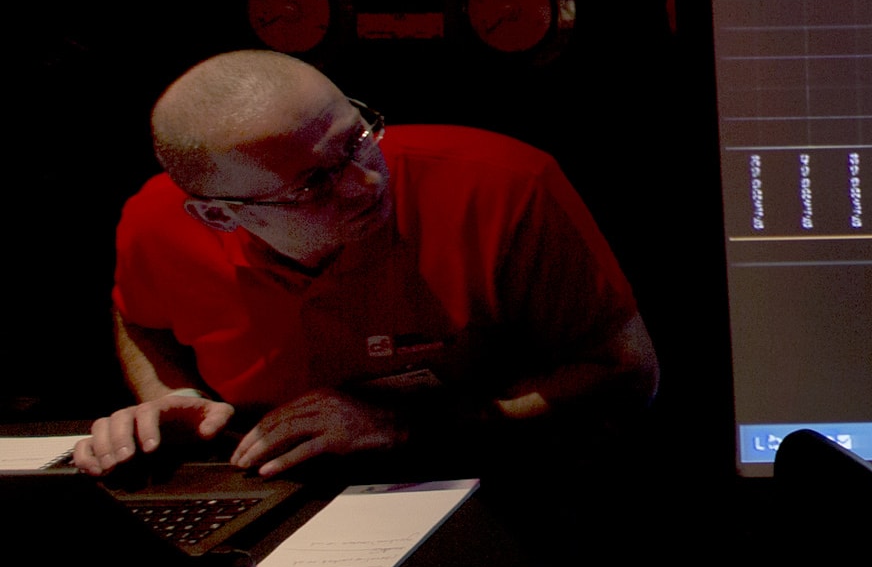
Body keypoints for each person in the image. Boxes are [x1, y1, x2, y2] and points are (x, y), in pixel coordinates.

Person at [72, 51, 658, 478]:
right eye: (313, 184)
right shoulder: (157, 223)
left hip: (493, 475)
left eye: (356, 138)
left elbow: (626, 373)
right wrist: (170, 393)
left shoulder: (501, 186)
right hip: (273, 484)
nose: (366, 181)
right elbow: (139, 319)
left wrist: (408, 427)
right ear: (220, 216)